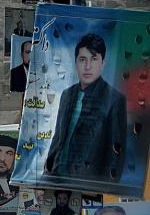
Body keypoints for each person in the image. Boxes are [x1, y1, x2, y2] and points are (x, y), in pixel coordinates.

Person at [44, 33, 126, 181]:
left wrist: (103, 188)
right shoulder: (67, 94)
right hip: (57, 177)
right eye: (83, 59)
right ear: (76, 62)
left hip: (87, 183)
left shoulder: (115, 99)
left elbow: (116, 153)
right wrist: (47, 172)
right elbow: (58, 138)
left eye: (94, 59)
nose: (88, 66)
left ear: (103, 63)